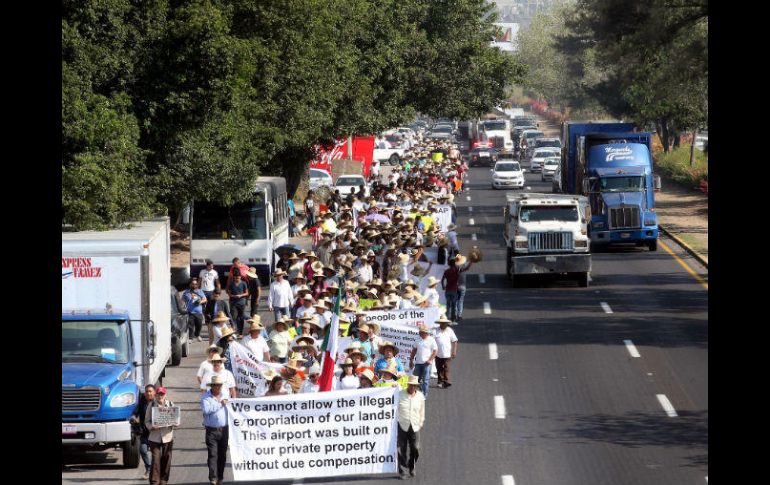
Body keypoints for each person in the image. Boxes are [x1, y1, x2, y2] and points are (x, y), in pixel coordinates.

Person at [144, 386, 176, 485]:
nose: (160, 396)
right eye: (158, 394)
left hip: (167, 436)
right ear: (156, 395)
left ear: (165, 395)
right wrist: (152, 427)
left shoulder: (171, 404)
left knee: (167, 458)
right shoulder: (151, 405)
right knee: (156, 459)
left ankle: (164, 480)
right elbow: (146, 421)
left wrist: (175, 423)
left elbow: (176, 420)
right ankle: (154, 481)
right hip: (154, 437)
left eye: (162, 394)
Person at [201, 375, 229, 485]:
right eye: (216, 385)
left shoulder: (226, 395)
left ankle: (220, 477)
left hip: (224, 429)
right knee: (212, 454)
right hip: (211, 430)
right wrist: (220, 404)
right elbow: (207, 410)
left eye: (220, 385)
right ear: (212, 386)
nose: (218, 387)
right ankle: (213, 477)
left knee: (222, 455)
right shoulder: (205, 397)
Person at [398, 375, 425, 480]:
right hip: (402, 425)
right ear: (407, 385)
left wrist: (421, 422)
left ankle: (411, 465)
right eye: (410, 385)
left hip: (415, 426)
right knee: (401, 448)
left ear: (417, 386)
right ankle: (403, 470)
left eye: (414, 385)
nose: (412, 387)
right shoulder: (400, 394)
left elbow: (422, 411)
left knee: (416, 448)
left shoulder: (420, 396)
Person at [130, 384, 155, 480]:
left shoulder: (157, 403)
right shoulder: (142, 402)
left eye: (150, 391)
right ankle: (148, 469)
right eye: (147, 391)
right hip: (144, 432)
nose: (148, 393)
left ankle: (155, 471)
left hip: (155, 433)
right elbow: (135, 412)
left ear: (154, 392)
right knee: (143, 450)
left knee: (156, 454)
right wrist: (133, 417)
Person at [409, 324, 437, 399]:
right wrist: (411, 360)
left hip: (427, 363)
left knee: (425, 380)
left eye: (423, 332)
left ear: (426, 333)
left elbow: (435, 351)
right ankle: (415, 392)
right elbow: (414, 350)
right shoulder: (417, 339)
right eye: (420, 332)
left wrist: (430, 359)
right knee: (415, 379)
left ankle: (424, 395)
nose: (421, 333)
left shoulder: (431, 340)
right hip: (418, 363)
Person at [434, 314, 458, 388]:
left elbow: (455, 341)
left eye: (445, 323)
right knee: (439, 368)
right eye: (442, 323)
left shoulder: (450, 331)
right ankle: (440, 381)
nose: (444, 324)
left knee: (446, 368)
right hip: (437, 353)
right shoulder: (435, 331)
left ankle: (446, 381)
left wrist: (454, 351)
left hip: (447, 353)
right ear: (440, 323)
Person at [226, 270, 249, 336]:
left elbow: (247, 293)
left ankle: (240, 332)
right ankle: (233, 331)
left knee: (241, 318)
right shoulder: (231, 284)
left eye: (238, 278)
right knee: (233, 317)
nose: (237, 279)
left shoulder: (244, 283)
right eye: (236, 278)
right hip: (233, 303)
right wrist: (234, 296)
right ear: (233, 278)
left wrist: (241, 295)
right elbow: (229, 294)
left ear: (240, 277)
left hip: (242, 303)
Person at [454, 254, 473, 322]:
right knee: (460, 300)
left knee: (455, 301)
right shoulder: (463, 268)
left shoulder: (453, 269)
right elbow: (468, 266)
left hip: (455, 287)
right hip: (462, 287)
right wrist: (472, 261)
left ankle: (455, 314)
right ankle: (459, 315)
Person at [441, 256, 461, 322]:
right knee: (453, 305)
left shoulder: (446, 271)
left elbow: (442, 280)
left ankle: (446, 318)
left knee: (448, 305)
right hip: (454, 290)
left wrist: (443, 286)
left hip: (447, 290)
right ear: (454, 264)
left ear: (449, 264)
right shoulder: (456, 272)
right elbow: (461, 270)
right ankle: (453, 319)